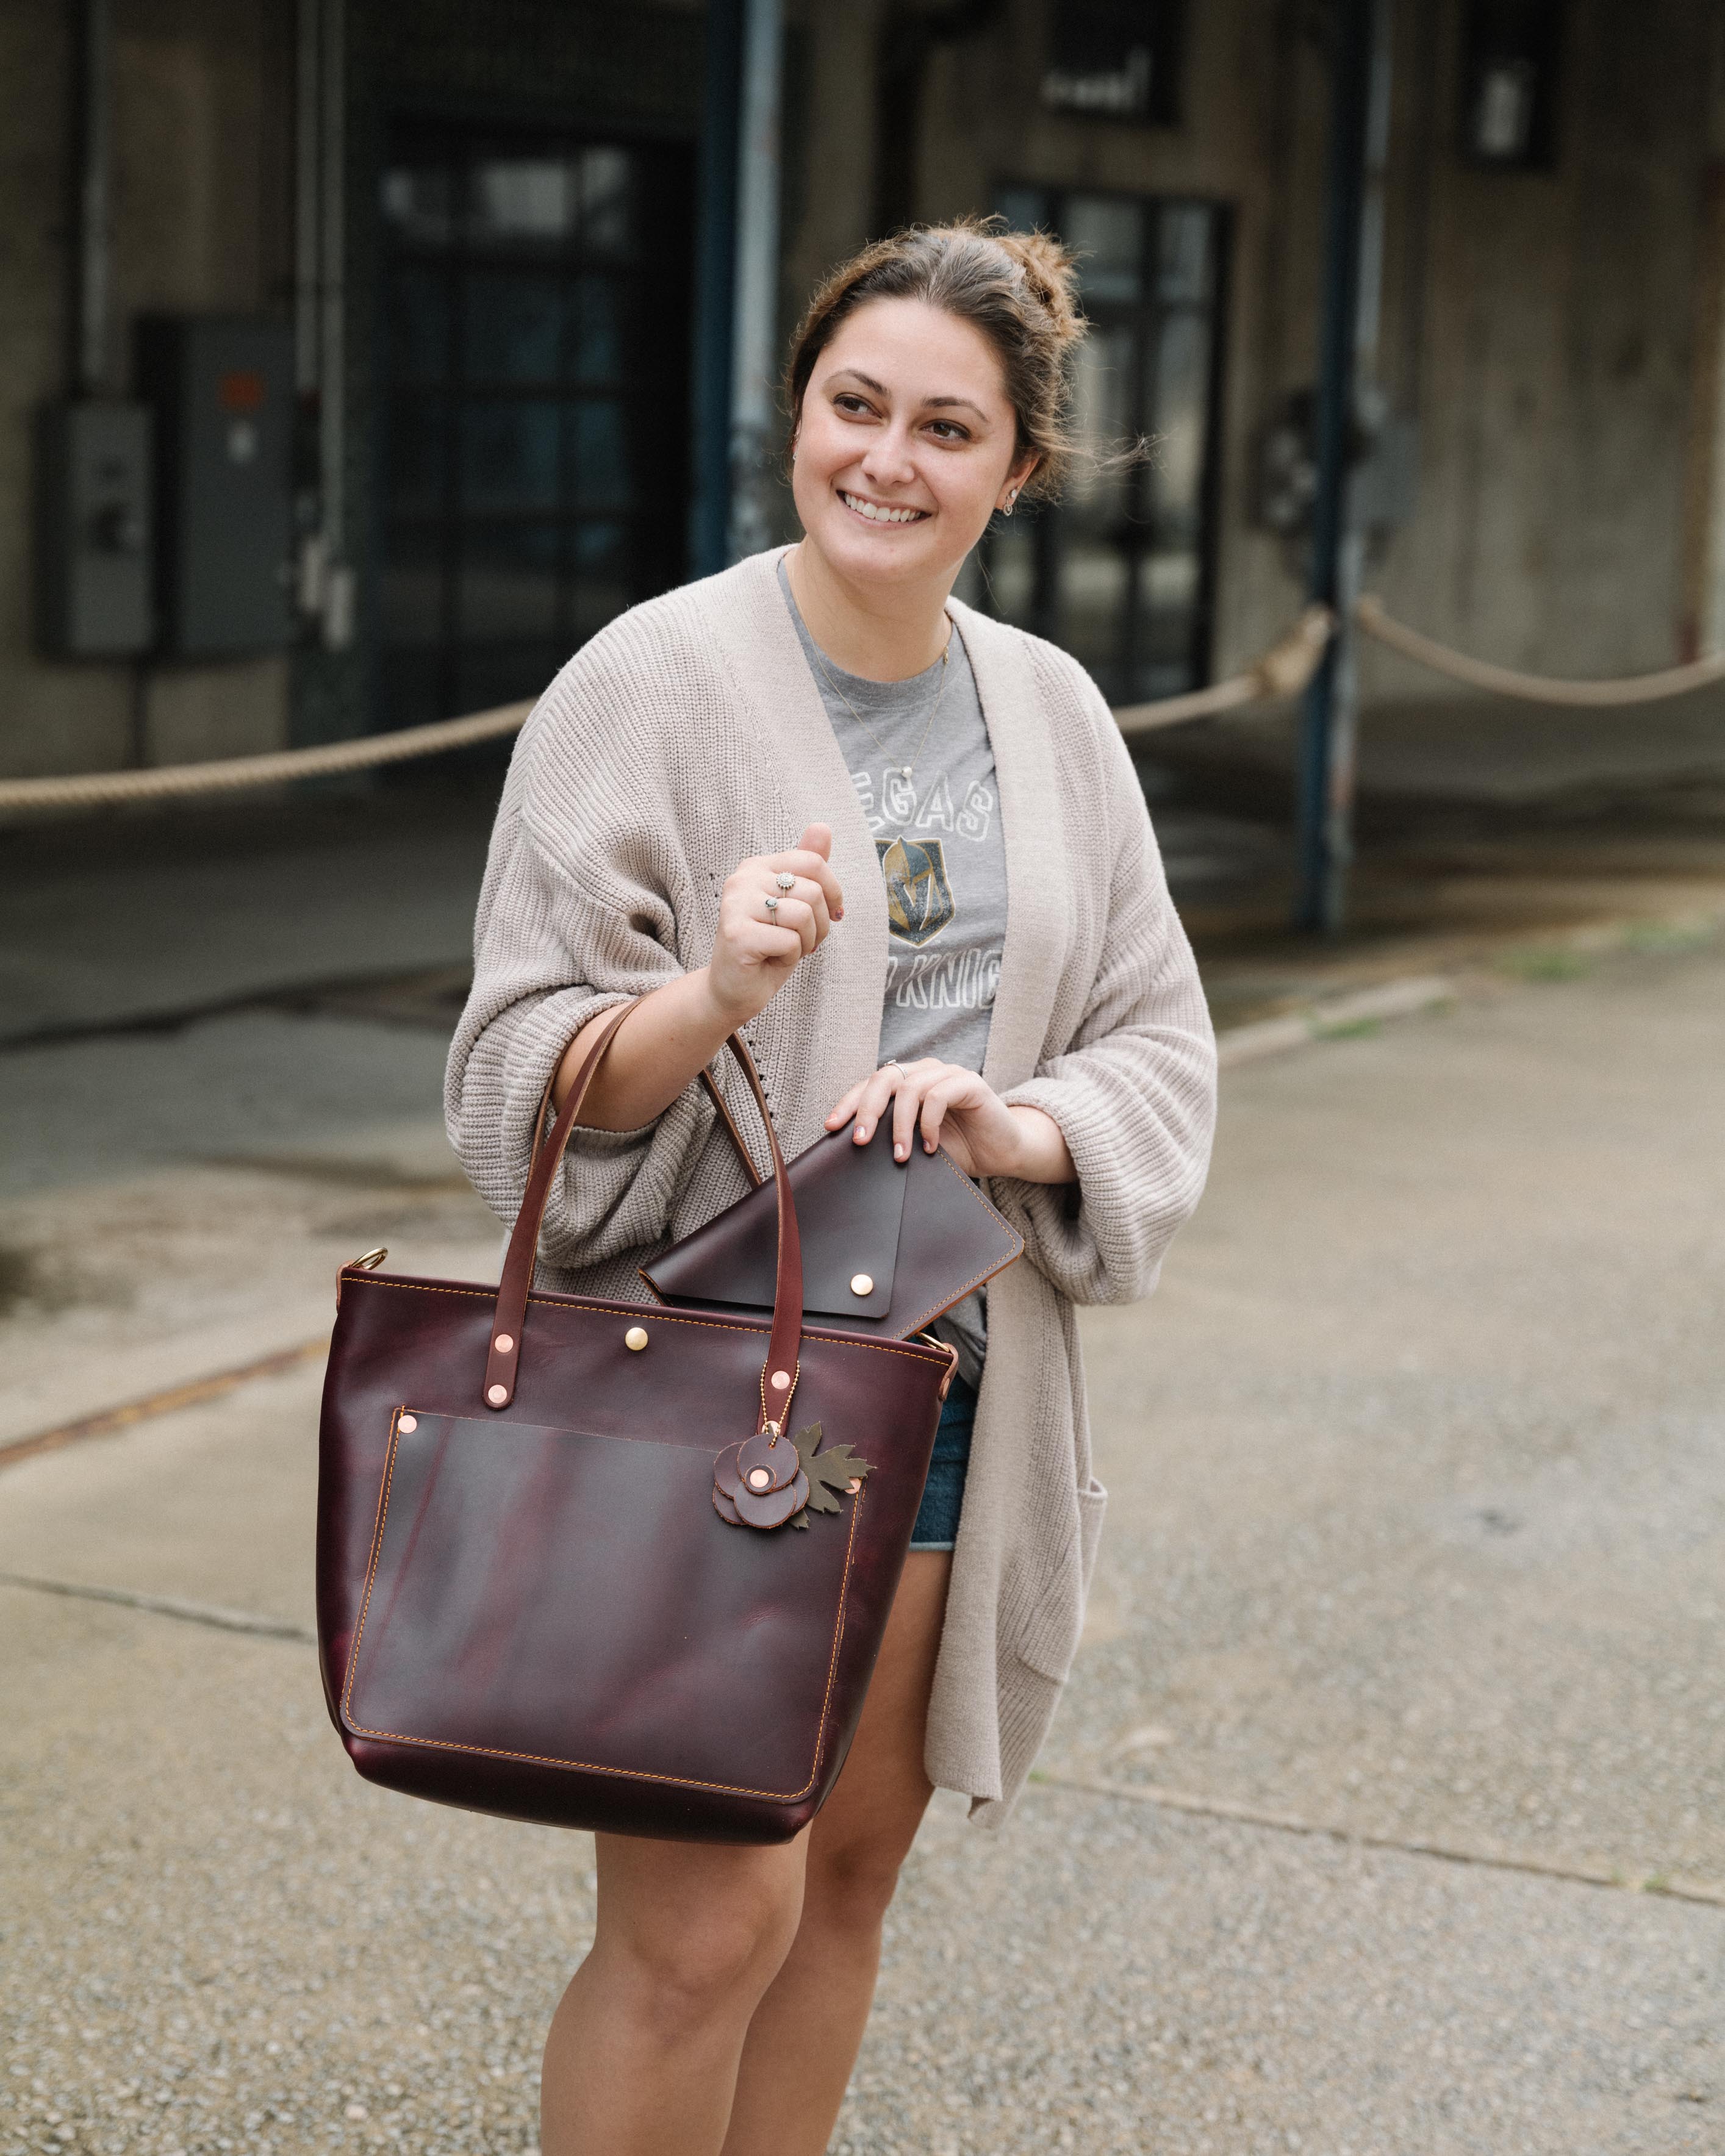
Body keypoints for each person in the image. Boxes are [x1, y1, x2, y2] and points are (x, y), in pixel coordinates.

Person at [446, 217, 1217, 2156]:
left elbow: (1153, 1039)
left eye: (943, 428)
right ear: (794, 411)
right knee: (709, 1922)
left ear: (1016, 473)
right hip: (699, 1376)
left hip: (949, 1383)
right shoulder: (653, 679)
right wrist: (718, 992)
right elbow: (515, 1073)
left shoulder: (1051, 711)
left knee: (848, 1883)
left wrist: (1008, 1126)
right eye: (850, 404)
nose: (884, 457)